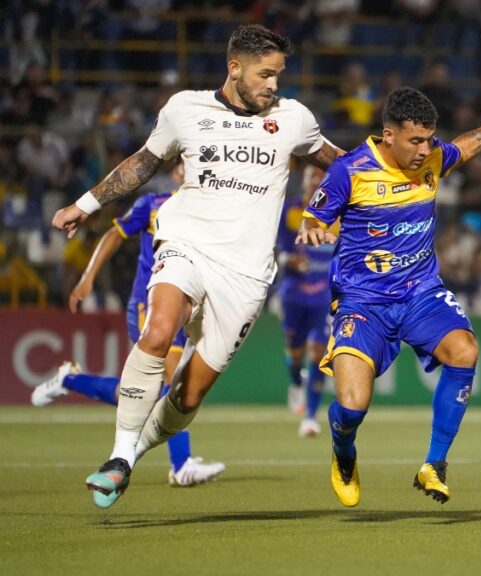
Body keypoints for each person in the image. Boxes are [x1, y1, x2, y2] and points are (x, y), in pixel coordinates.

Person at [50, 24, 342, 509]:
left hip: (246, 274)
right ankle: (119, 455)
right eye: (265, 74)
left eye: (278, 76)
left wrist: (342, 206)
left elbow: (343, 164)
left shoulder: (294, 119)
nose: (274, 85)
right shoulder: (184, 109)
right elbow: (143, 163)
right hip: (185, 243)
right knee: (159, 331)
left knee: (187, 397)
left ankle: (133, 455)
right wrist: (86, 203)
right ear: (235, 68)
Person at [297, 83, 481, 507]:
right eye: (415, 141)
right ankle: (343, 451)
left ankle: (434, 464)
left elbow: (467, 146)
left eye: (429, 139)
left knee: (464, 351)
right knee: (352, 407)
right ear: (388, 135)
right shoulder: (349, 171)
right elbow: (312, 219)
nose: (426, 150)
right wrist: (313, 228)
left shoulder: (432, 159)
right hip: (363, 302)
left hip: (420, 292)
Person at [32, 163, 226, 487]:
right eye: (186, 164)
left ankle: (72, 380)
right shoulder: (153, 204)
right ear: (177, 172)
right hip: (150, 304)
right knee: (171, 380)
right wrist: (88, 277)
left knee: (137, 395)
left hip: (188, 302)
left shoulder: (211, 211)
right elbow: (114, 234)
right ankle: (182, 465)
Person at [278, 164, 334, 437]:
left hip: (323, 293)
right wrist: (290, 260)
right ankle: (295, 382)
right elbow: (276, 251)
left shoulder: (337, 212)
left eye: (321, 177)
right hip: (293, 291)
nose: (316, 181)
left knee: (319, 352)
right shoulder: (290, 211)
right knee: (295, 349)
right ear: (303, 180)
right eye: (312, 176)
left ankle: (310, 416)